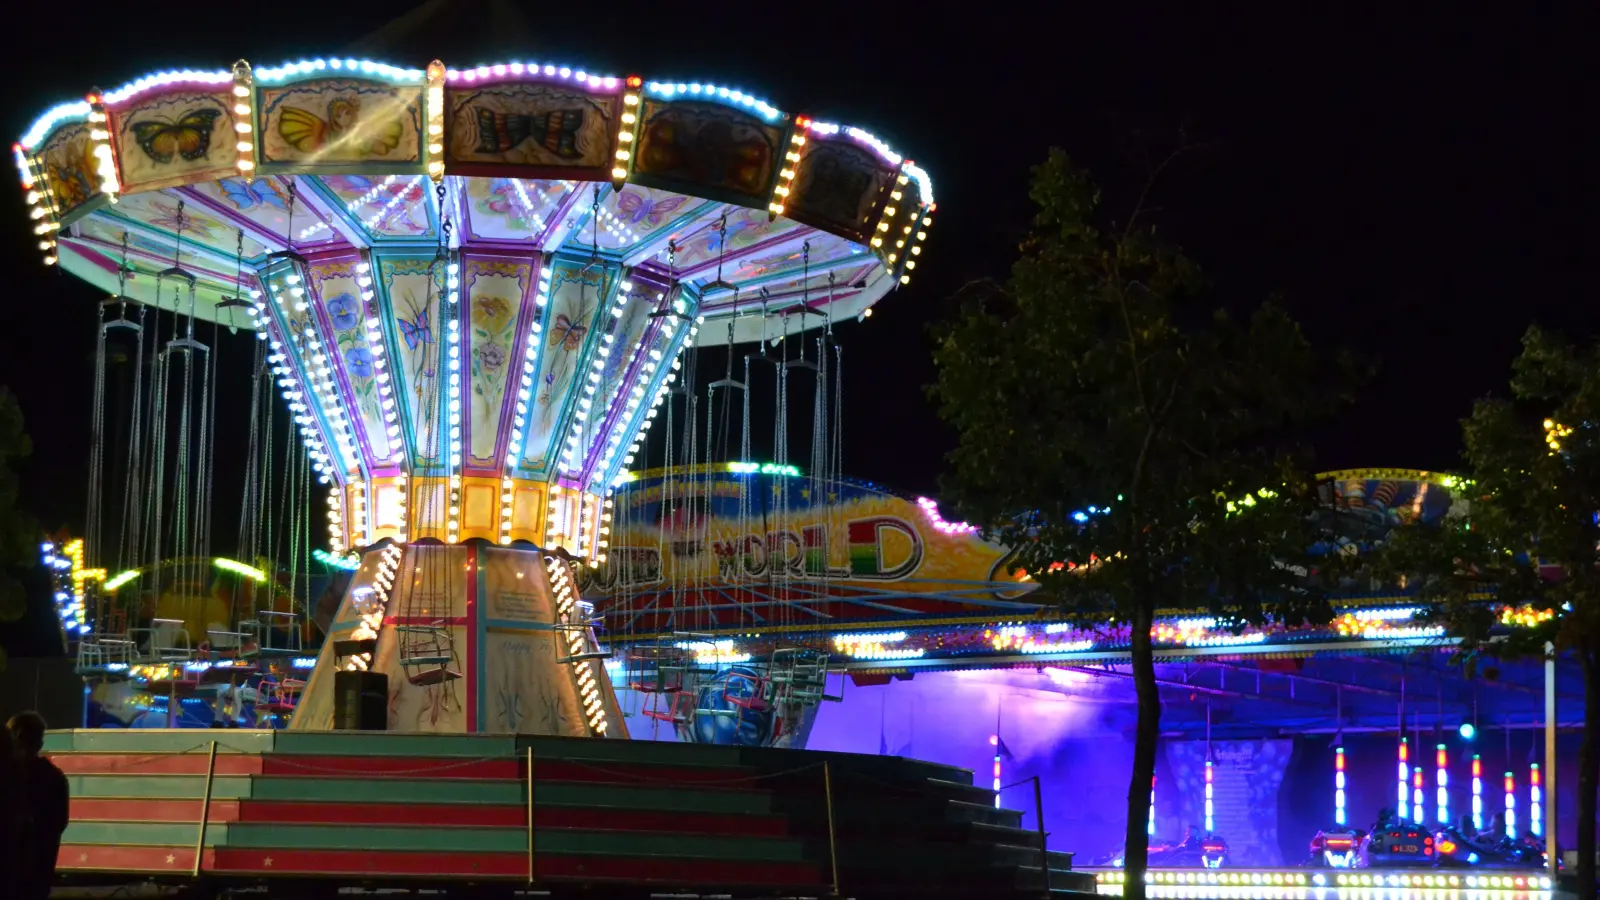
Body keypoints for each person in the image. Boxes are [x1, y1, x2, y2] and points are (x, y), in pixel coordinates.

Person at [9, 711, 69, 900]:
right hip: (39, 870)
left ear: (17, 736)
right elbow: (59, 823)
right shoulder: (54, 777)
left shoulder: (8, 775)